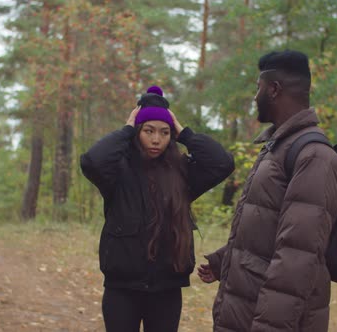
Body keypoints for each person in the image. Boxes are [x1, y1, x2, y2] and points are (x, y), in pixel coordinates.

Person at [198, 50, 337, 331]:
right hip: (246, 310)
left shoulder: (313, 156)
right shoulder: (278, 147)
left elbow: (297, 260)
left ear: (274, 89)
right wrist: (226, 258)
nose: (255, 96)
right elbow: (271, 228)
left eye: (258, 87)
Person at [80, 85, 234, 332]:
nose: (156, 139)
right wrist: (126, 130)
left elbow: (222, 163)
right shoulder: (117, 172)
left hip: (167, 290)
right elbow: (91, 161)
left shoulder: (182, 172)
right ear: (137, 132)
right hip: (122, 289)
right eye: (148, 131)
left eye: (164, 132)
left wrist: (185, 134)